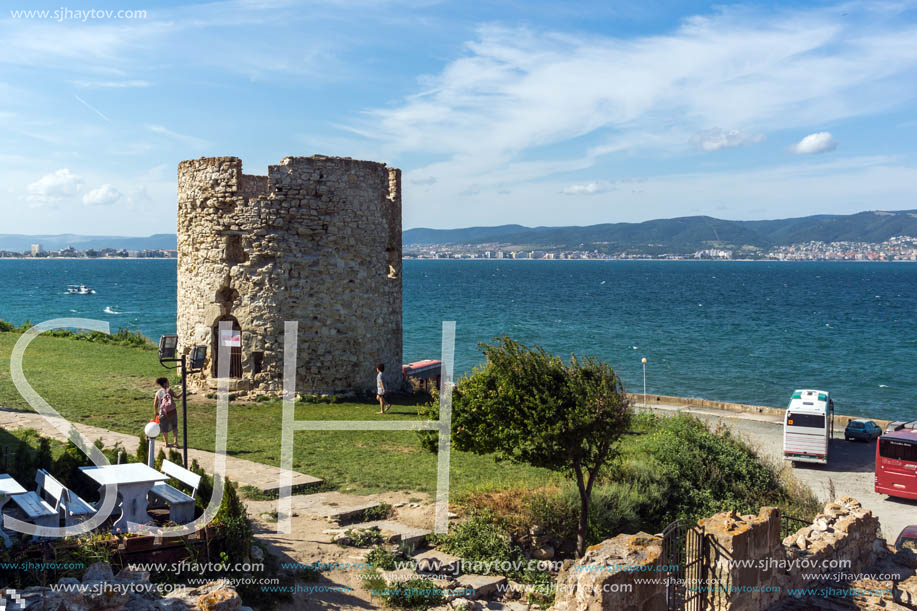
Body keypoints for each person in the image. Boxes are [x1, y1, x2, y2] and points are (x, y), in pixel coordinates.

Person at [154, 377, 182, 448]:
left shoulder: (158, 392)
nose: (169, 383)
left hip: (162, 412)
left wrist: (156, 412)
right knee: (174, 426)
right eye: (168, 382)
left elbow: (155, 404)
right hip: (172, 411)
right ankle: (175, 441)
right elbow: (177, 397)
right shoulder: (169, 390)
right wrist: (183, 391)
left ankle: (166, 443)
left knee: (164, 428)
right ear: (165, 384)